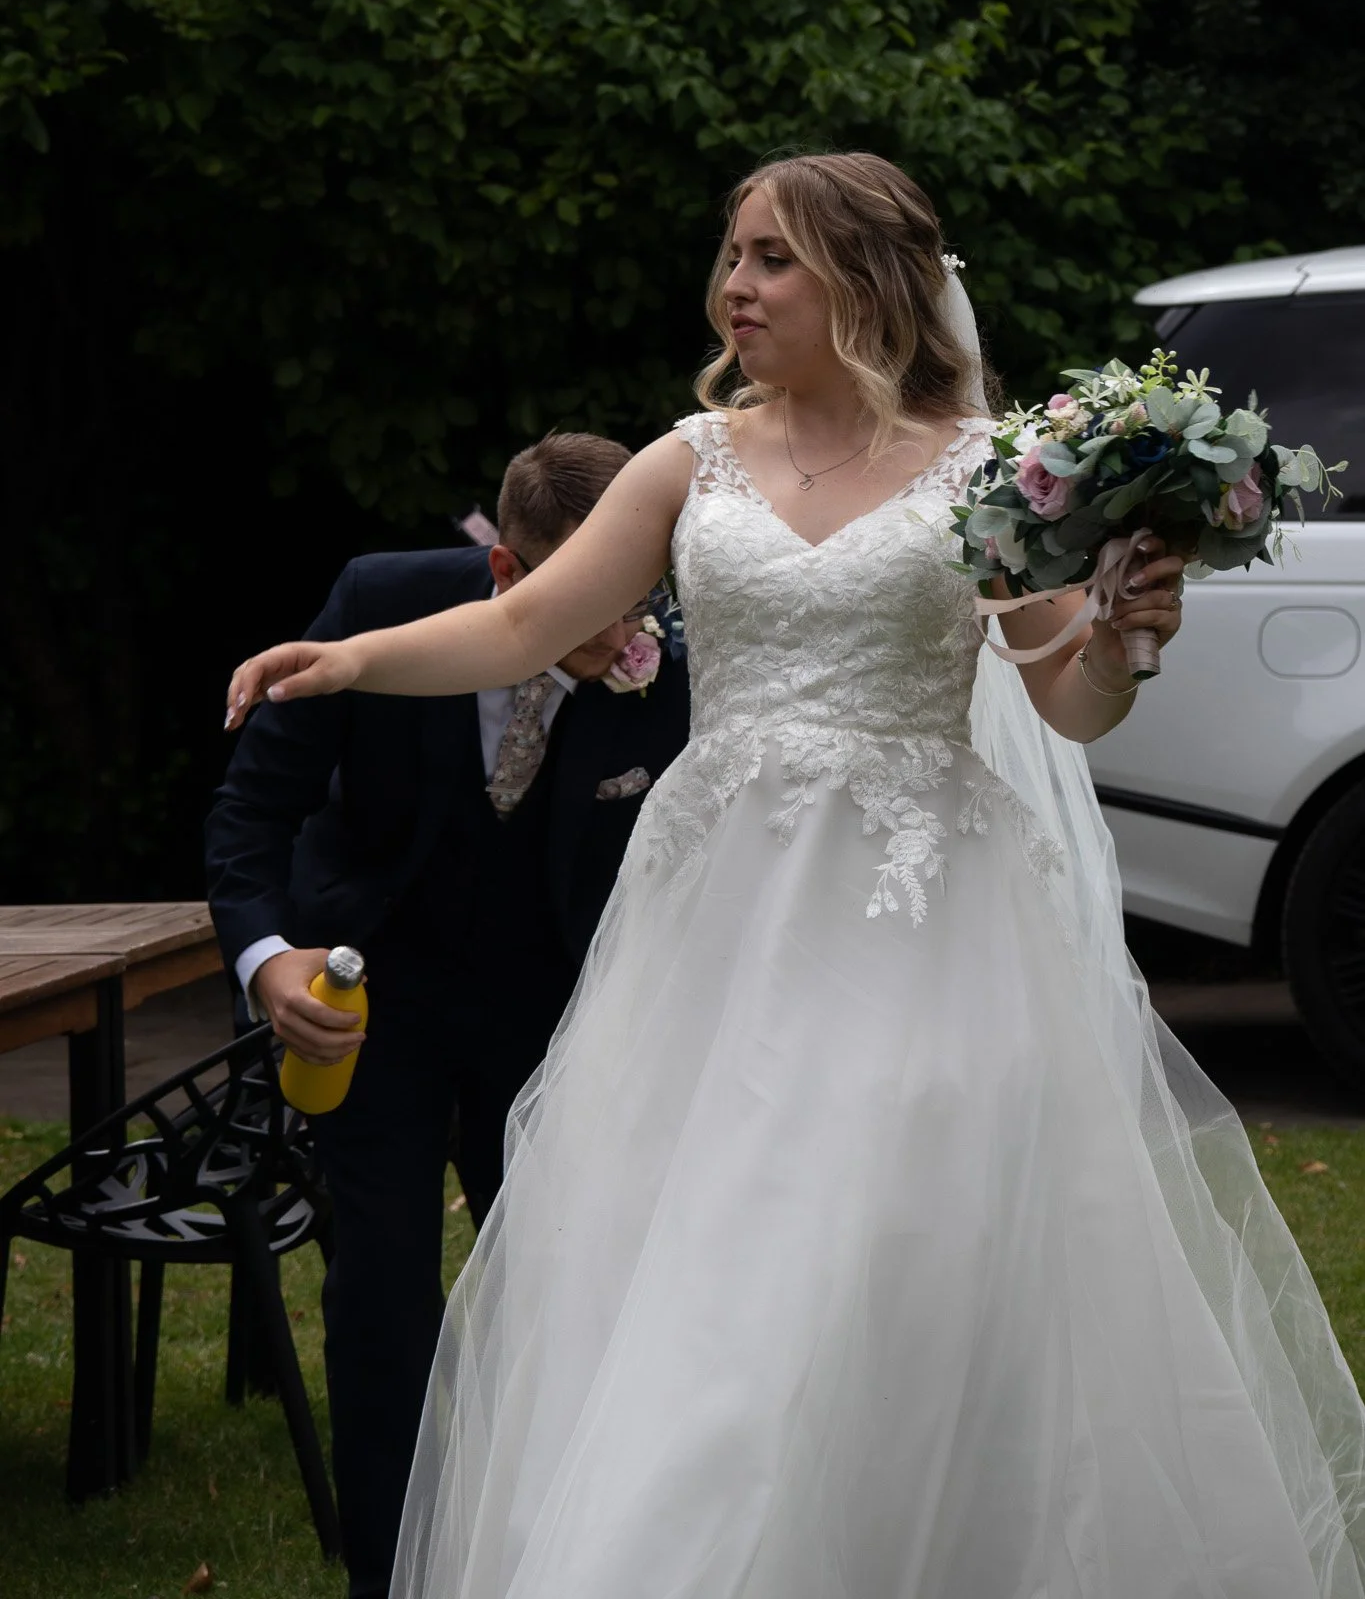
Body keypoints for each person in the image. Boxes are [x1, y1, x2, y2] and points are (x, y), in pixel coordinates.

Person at [226, 153, 1365, 1599]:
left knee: (889, 1255)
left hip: (922, 918)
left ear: (867, 281)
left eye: (771, 258)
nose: (734, 286)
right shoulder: (688, 458)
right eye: (732, 253)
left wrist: (1123, 640)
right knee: (716, 1258)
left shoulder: (988, 470)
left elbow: (1061, 703)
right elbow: (528, 628)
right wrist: (351, 663)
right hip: (719, 919)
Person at [205, 431, 689, 1599]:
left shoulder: (671, 654)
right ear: (510, 579)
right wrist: (272, 963)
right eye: (594, 607)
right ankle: (393, 1570)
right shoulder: (380, 603)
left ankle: (551, 1554)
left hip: (556, 1007)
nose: (628, 636)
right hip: (375, 1002)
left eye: (638, 601)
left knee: (563, 1286)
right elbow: (250, 815)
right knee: (382, 1289)